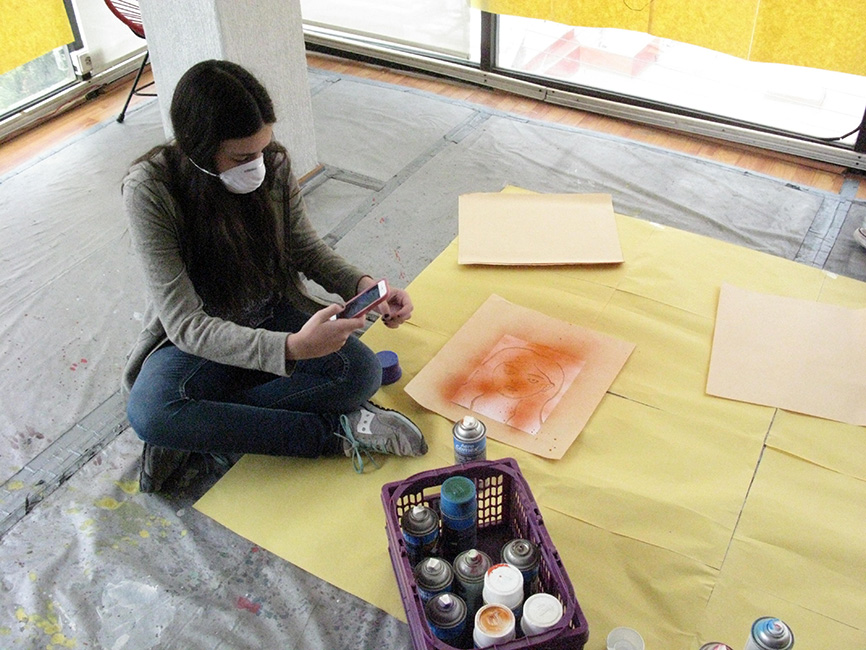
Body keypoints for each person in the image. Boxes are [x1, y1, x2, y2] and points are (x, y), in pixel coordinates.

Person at [121, 60, 427, 490]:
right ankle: (335, 433)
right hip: (199, 340)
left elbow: (305, 248)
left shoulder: (274, 166)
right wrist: (292, 349)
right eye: (242, 157)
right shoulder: (151, 190)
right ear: (198, 148)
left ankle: (203, 428)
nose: (258, 165)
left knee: (360, 373)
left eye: (262, 149)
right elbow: (186, 324)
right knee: (152, 414)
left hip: (269, 312)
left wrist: (363, 287)